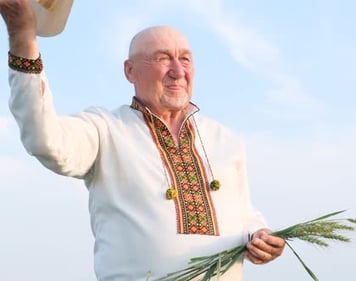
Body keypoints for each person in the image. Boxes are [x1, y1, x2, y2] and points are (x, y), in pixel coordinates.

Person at [0, 0, 285, 280]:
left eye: (184, 59)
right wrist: (22, 36)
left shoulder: (226, 140)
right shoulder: (106, 130)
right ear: (130, 71)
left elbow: (243, 215)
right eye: (163, 58)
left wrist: (260, 235)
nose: (177, 71)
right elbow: (44, 139)